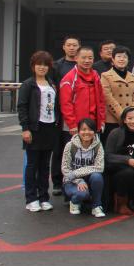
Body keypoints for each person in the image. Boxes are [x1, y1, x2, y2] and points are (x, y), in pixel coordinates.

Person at [18, 50, 59, 212]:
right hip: (35, 128)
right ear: (33, 66)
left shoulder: (51, 84)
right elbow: (22, 107)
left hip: (50, 127)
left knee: (45, 165)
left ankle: (43, 197)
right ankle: (31, 198)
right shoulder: (28, 84)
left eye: (45, 65)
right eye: (39, 65)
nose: (42, 67)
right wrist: (25, 128)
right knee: (32, 165)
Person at [104, 106, 134, 215]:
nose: (133, 121)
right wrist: (127, 160)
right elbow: (108, 156)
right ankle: (121, 203)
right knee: (128, 172)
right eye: (129, 118)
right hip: (114, 171)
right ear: (124, 120)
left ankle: (130, 198)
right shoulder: (115, 133)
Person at [50, 34, 80, 195]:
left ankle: (74, 180)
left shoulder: (83, 65)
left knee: (76, 149)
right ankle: (57, 181)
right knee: (59, 149)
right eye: (69, 45)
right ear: (64, 47)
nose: (72, 48)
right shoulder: (56, 67)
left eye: (75, 45)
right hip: (61, 114)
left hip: (79, 113)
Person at [61, 118, 106, 217]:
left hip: (87, 178)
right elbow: (65, 169)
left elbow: (99, 167)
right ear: (78, 131)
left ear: (94, 132)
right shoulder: (70, 145)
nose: (87, 132)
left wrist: (76, 173)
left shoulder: (98, 146)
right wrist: (79, 180)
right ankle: (74, 202)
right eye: (83, 129)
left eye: (90, 129)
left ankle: (96, 206)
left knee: (97, 176)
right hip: (72, 180)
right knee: (82, 194)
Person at [60, 46, 106, 139]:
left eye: (90, 58)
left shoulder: (96, 76)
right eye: (83, 58)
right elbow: (66, 104)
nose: (87, 61)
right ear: (76, 58)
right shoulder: (69, 78)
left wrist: (101, 120)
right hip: (76, 127)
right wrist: (72, 124)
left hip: (93, 125)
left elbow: (101, 100)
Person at [100, 46, 134, 142]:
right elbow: (108, 98)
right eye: (119, 56)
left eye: (125, 57)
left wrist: (131, 116)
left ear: (128, 60)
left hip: (130, 121)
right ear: (113, 59)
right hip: (112, 120)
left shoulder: (133, 77)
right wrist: (123, 116)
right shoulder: (105, 76)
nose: (122, 59)